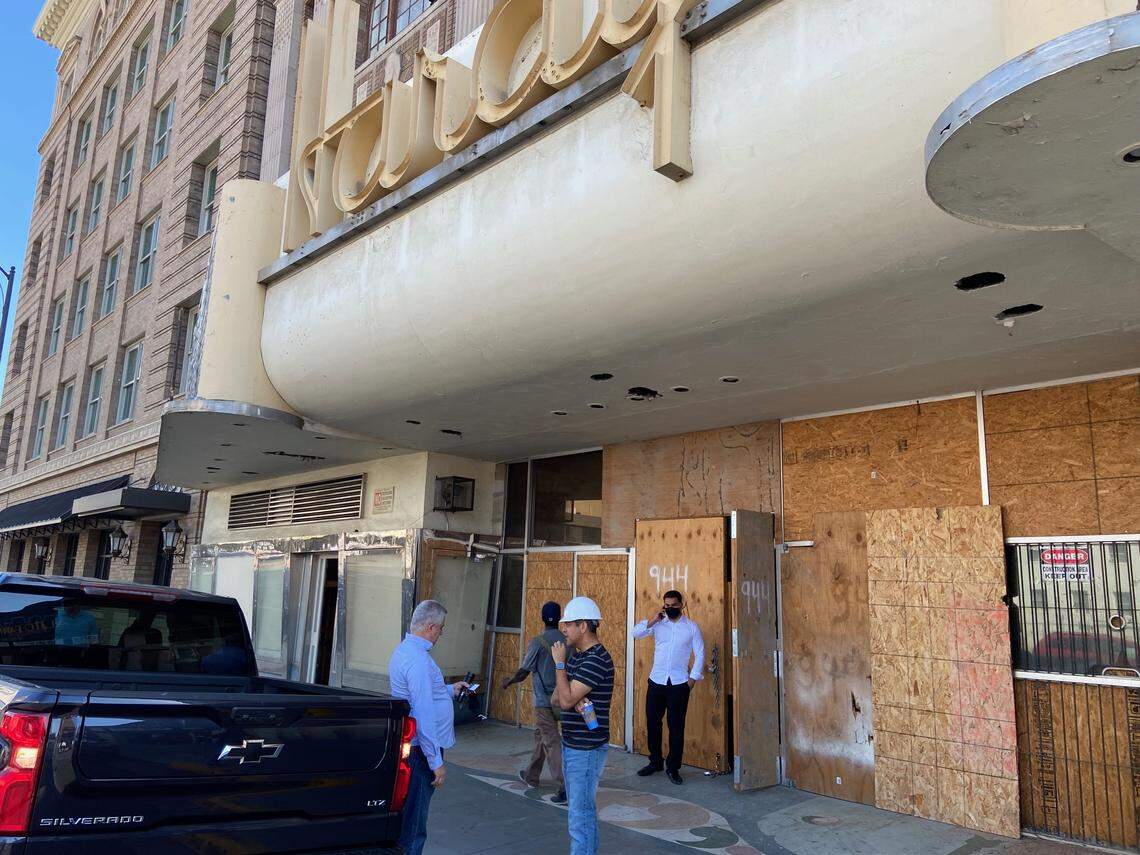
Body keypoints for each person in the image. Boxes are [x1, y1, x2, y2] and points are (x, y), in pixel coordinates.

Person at [388, 600, 470, 855]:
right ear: (431, 627)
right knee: (415, 826)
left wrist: (448, 689)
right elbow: (423, 713)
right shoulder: (419, 661)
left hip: (414, 749)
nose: (442, 633)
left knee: (409, 818)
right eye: (442, 628)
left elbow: (423, 695)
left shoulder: (406, 652)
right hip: (421, 752)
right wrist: (436, 762)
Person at [551, 596, 613, 855]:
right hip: (572, 745)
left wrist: (560, 665)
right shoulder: (578, 657)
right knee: (581, 812)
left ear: (584, 626)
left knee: (580, 814)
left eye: (569, 625)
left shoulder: (595, 660)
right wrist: (568, 692)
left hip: (586, 750)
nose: (563, 629)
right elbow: (556, 698)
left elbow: (564, 700)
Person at [632, 589, 704, 784]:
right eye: (667, 605)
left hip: (679, 684)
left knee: (676, 727)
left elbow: (700, 654)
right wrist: (652, 620)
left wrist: (692, 680)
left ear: (682, 605)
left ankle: (673, 768)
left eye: (674, 605)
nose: (670, 608)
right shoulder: (658, 625)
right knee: (653, 722)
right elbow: (635, 633)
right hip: (657, 681)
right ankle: (655, 762)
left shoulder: (691, 628)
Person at [502, 600, 566, 803]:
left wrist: (509, 681)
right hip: (563, 698)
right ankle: (531, 775)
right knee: (542, 736)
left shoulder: (538, 642)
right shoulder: (566, 641)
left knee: (552, 741)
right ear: (560, 618)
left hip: (543, 702)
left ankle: (566, 786)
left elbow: (524, 671)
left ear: (541, 618)